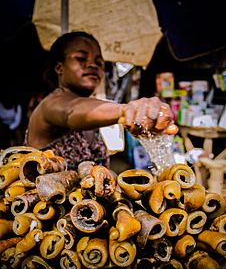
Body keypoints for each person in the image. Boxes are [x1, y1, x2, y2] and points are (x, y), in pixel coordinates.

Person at [24, 31, 178, 170]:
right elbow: (71, 110)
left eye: (99, 62)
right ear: (59, 68)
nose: (92, 65)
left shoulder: (92, 114)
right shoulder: (51, 105)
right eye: (81, 58)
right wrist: (127, 109)